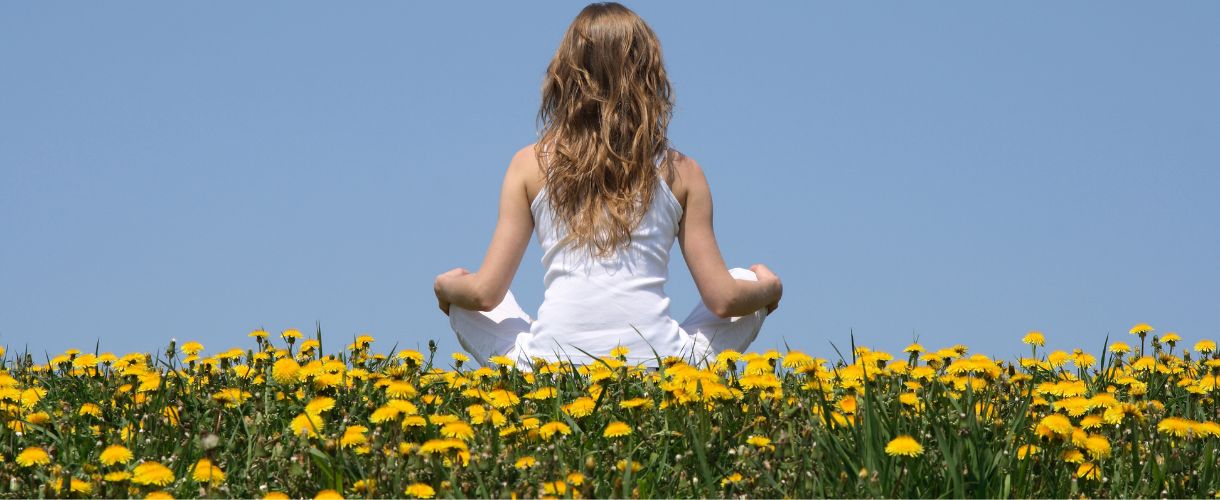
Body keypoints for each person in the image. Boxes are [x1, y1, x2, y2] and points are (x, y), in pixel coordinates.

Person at [433, 2, 782, 369]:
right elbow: (724, 299)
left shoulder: (527, 165)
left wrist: (446, 287)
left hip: (548, 367)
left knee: (467, 300)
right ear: (649, 77)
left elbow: (486, 294)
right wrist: (769, 288)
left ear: (565, 75)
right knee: (743, 279)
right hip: (661, 365)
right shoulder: (684, 172)